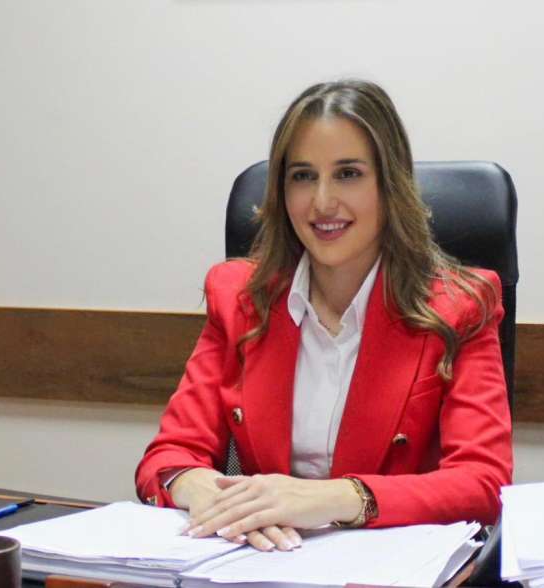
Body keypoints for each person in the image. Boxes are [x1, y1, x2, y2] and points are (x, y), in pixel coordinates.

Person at [135, 79, 512, 553]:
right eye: (303, 176)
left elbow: (483, 483)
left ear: (389, 184)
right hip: (263, 563)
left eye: (348, 173)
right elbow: (168, 455)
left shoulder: (460, 307)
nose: (322, 202)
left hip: (390, 566)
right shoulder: (238, 298)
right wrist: (201, 490)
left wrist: (335, 498)